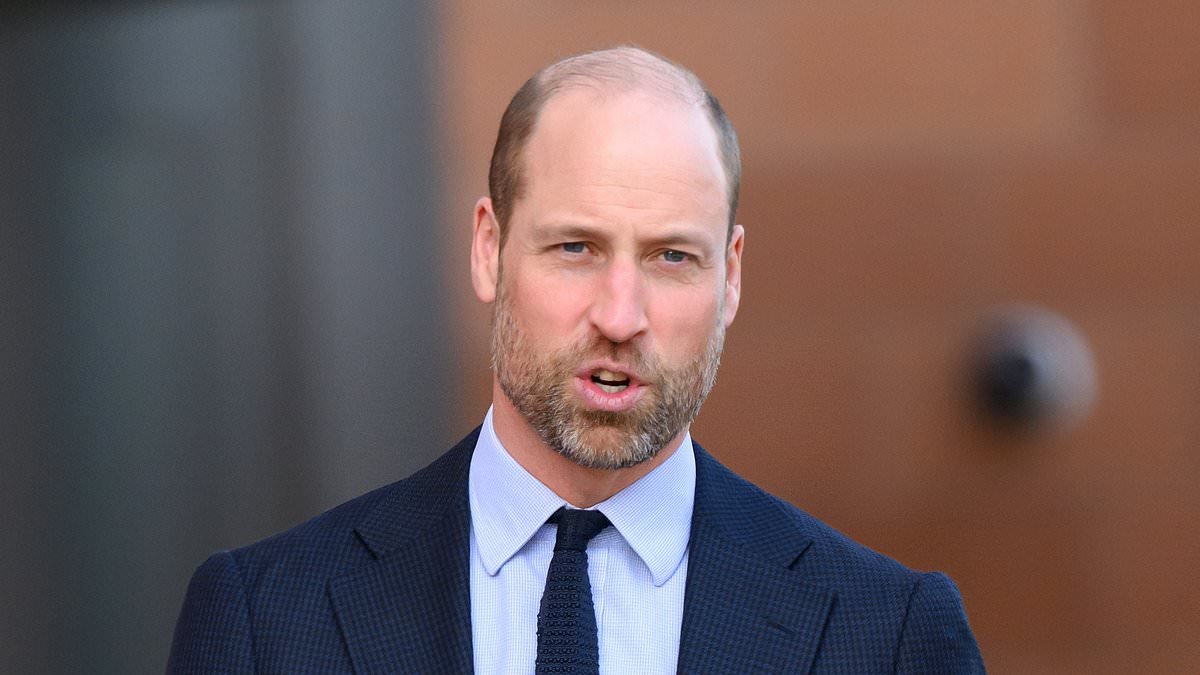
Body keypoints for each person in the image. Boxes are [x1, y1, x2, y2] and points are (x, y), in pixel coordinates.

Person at [169, 46, 985, 674]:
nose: (620, 316)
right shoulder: (267, 618)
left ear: (730, 275)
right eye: (575, 247)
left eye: (671, 257)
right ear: (489, 249)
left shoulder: (888, 632)